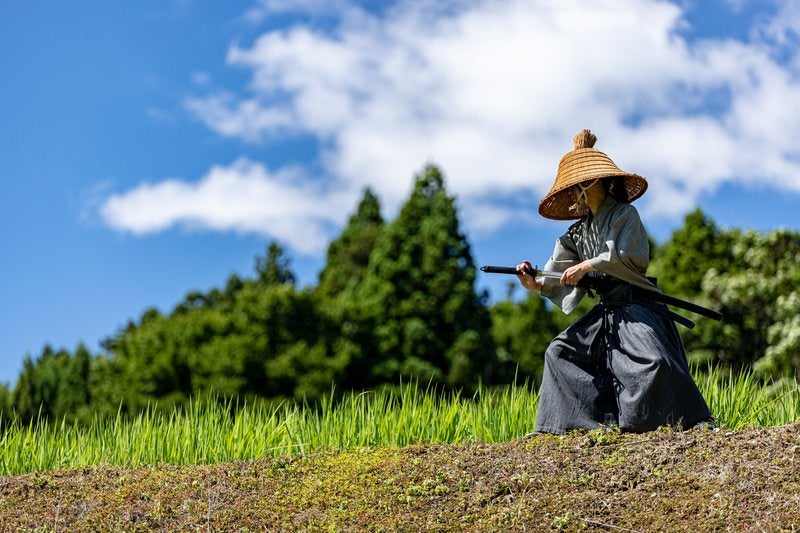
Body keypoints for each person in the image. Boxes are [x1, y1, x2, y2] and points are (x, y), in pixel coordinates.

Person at [516, 129, 713, 434]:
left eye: (578, 185)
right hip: (606, 311)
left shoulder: (625, 215)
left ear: (592, 182)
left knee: (654, 363)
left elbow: (625, 257)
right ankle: (579, 426)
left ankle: (689, 420)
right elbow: (558, 273)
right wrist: (536, 282)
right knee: (559, 352)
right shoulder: (576, 234)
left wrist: (586, 266)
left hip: (636, 305)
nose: (574, 192)